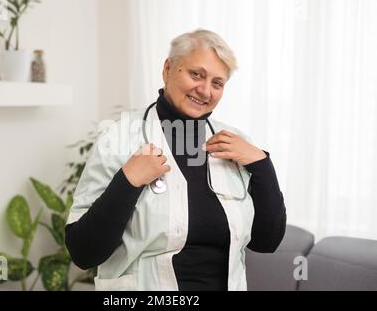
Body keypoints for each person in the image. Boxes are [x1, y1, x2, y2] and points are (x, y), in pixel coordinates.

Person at [65, 29, 286, 291]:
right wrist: (128, 181)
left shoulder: (235, 142)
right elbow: (84, 252)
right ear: (168, 68)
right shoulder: (120, 138)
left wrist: (261, 164)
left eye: (217, 83)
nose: (205, 91)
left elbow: (266, 241)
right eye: (196, 74)